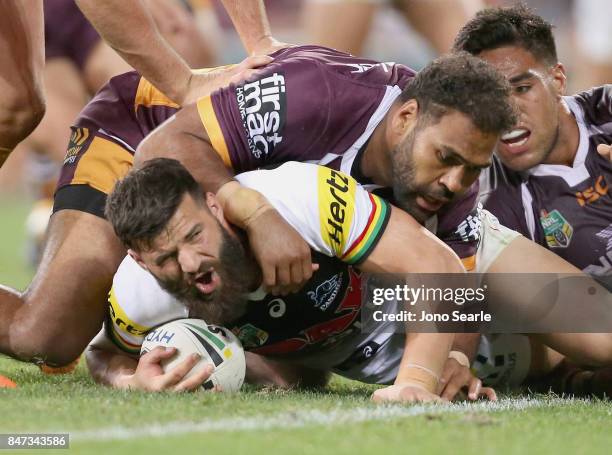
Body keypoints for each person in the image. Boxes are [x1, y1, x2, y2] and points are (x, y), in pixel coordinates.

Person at [89, 159, 612, 401]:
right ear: (138, 261)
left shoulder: (298, 198)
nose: (189, 264)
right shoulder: (140, 294)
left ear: (213, 203)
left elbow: (443, 268)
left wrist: (422, 378)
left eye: (192, 236)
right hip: (416, 348)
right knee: (569, 373)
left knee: (604, 341)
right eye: (165, 259)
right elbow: (102, 355)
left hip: (470, 270)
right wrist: (131, 379)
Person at [0, 3, 284, 368]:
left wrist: (260, 42)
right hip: (136, 119)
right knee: (45, 333)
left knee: (15, 105)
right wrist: (185, 83)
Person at [453, 6, 612, 291]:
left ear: (558, 80)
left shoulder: (607, 112)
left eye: (522, 88)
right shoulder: (492, 209)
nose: (506, 113)